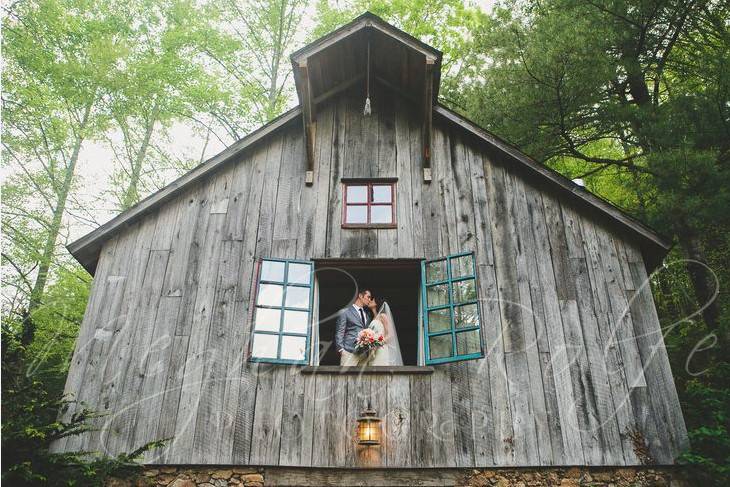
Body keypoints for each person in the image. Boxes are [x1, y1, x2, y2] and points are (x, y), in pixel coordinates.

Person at [334, 289, 373, 366]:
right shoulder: (345, 311)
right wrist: (341, 350)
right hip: (349, 352)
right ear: (360, 296)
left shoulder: (367, 315)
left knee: (362, 378)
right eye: (368, 297)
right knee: (345, 378)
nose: (369, 300)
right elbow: (339, 332)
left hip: (364, 354)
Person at [366, 297, 404, 366]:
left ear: (377, 303)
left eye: (372, 300)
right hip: (372, 350)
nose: (370, 301)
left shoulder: (383, 316)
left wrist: (377, 343)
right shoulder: (373, 318)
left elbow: (390, 334)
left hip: (381, 349)